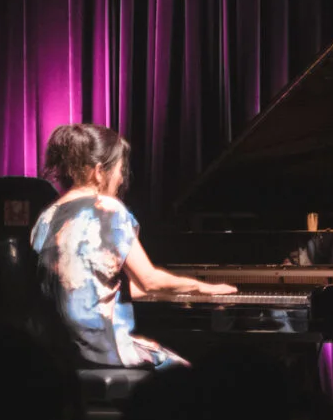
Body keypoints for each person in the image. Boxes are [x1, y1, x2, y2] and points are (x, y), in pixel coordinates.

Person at [29, 123, 234, 368]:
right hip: (102, 348)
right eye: (119, 170)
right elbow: (149, 280)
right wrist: (203, 288)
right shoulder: (107, 209)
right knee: (185, 372)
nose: (121, 180)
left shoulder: (46, 217)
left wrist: (176, 292)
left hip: (58, 353)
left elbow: (90, 288)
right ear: (98, 172)